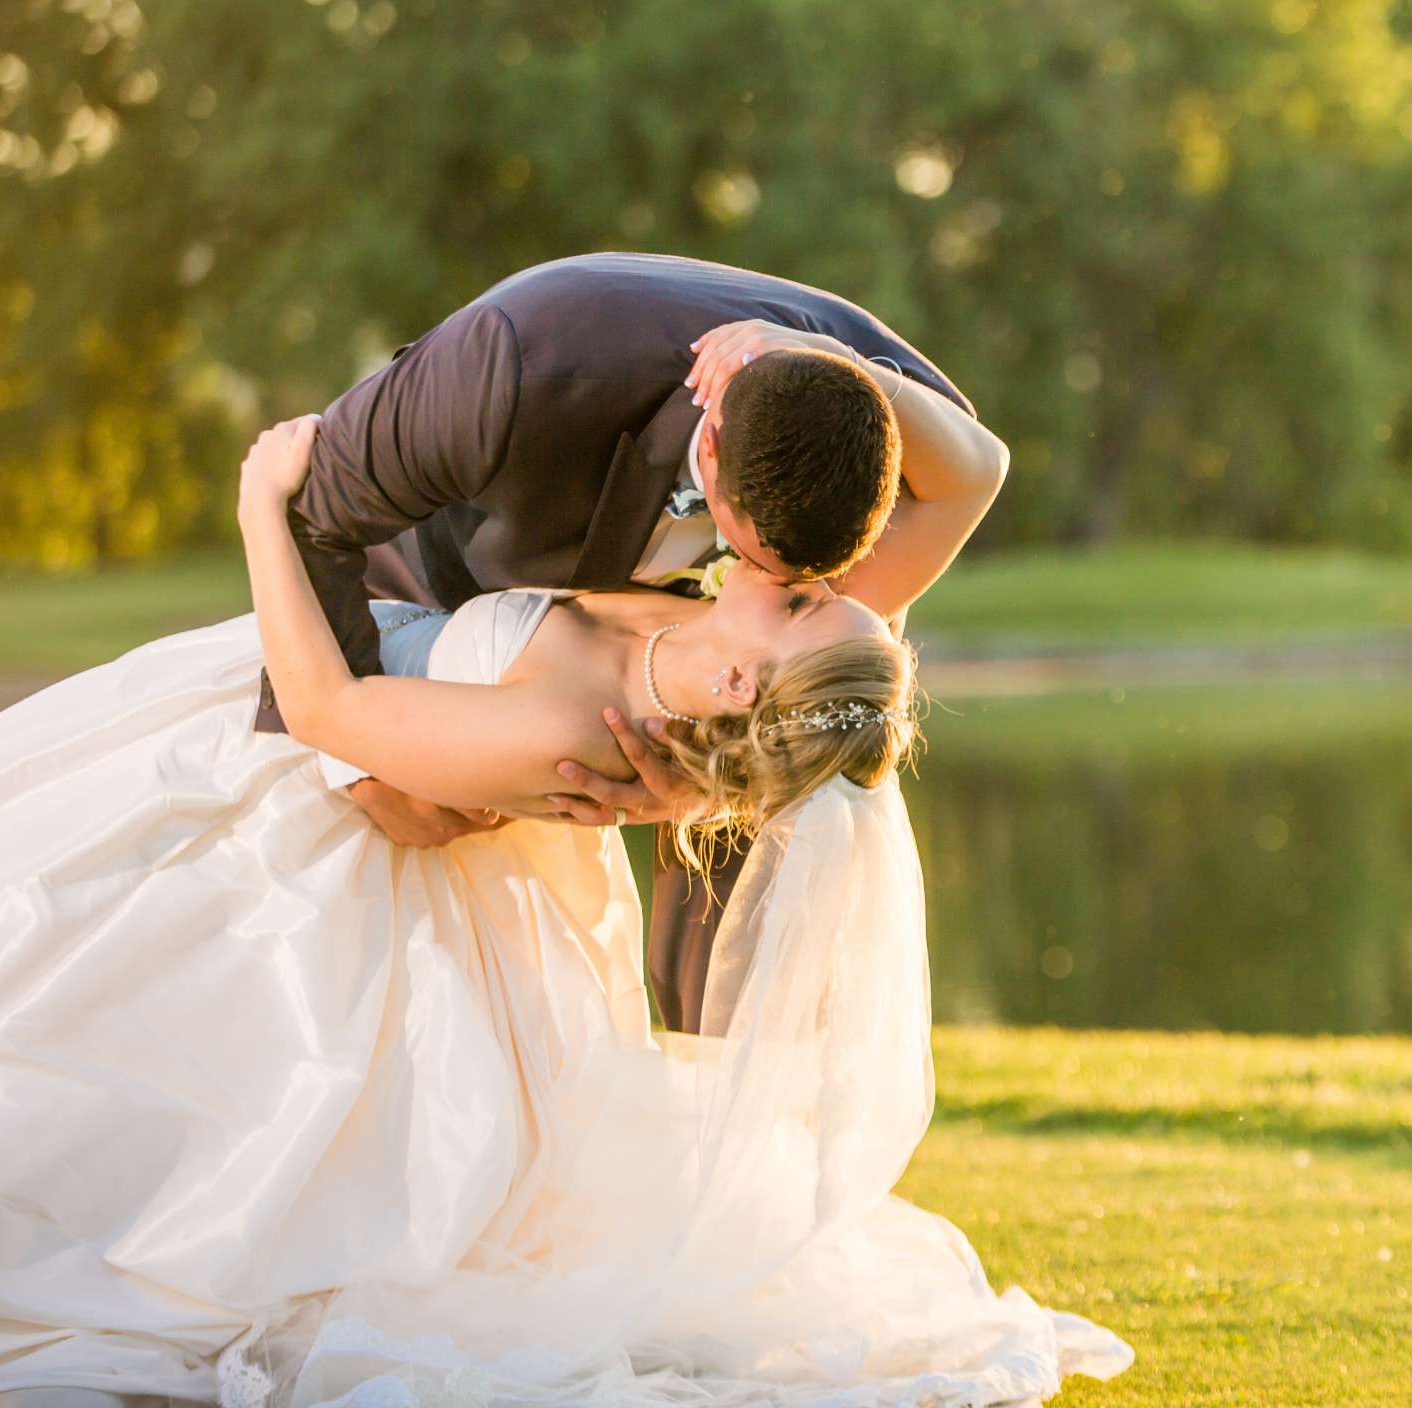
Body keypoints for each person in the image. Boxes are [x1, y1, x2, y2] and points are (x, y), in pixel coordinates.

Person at [0, 392, 1132, 1400]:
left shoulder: (573, 735)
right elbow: (970, 473)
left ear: (741, 676)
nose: (813, 570)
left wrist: (260, 506)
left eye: (810, 601)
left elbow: (328, 711)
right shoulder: (723, 649)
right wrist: (789, 361)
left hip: (325, 807)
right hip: (314, 725)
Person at [262, 251, 988, 1032]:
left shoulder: (882, 435)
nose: (803, 583)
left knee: (712, 963)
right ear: (710, 455)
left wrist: (712, 776)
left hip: (640, 687)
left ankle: (714, 1066)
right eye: (783, 574)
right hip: (412, 601)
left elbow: (977, 473)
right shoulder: (517, 368)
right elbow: (314, 514)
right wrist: (361, 771)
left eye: (819, 584)